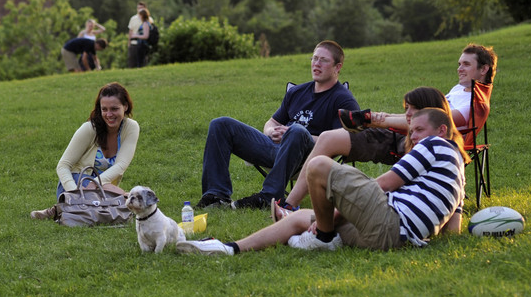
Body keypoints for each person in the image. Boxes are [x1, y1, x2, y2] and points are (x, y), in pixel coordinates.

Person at [178, 107, 467, 256]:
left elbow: (384, 184)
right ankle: (229, 248)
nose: (413, 136)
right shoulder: (458, 169)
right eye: (412, 130)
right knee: (300, 218)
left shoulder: (435, 145)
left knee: (318, 165)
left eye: (418, 129)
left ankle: (323, 237)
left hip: (388, 223)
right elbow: (453, 228)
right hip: (390, 237)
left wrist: (332, 217)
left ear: (441, 130)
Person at [274, 43, 496, 214]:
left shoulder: (476, 101)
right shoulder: (460, 90)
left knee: (329, 140)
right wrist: (380, 119)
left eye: (466, 64)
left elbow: (428, 122)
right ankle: (290, 205)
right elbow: (416, 117)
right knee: (327, 138)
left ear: (484, 69)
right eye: (459, 63)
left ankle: (292, 207)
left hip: (413, 145)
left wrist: (378, 120)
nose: (459, 68)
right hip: (399, 135)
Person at [195, 40, 359, 211]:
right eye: (314, 58)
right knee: (221, 124)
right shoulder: (297, 92)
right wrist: (271, 131)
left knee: (297, 131)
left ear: (337, 67)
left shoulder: (343, 99)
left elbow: (345, 138)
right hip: (275, 148)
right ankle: (216, 196)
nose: (316, 64)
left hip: (307, 157)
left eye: (323, 60)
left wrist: (294, 134)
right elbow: (272, 122)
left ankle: (269, 196)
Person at [30, 82, 140, 220]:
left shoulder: (131, 127)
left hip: (102, 187)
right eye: (104, 109)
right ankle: (62, 207)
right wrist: (76, 192)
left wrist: (95, 184)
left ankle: (56, 210)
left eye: (114, 109)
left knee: (123, 198)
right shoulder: (89, 128)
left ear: (125, 106)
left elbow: (121, 165)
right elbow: (63, 165)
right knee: (124, 198)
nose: (109, 114)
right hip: (76, 183)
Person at [126, 1, 151, 68]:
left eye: (141, 8)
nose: (139, 9)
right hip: (133, 43)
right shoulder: (133, 18)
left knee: (142, 63)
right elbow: (130, 31)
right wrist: (129, 43)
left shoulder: (149, 20)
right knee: (132, 63)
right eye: (138, 8)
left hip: (143, 44)